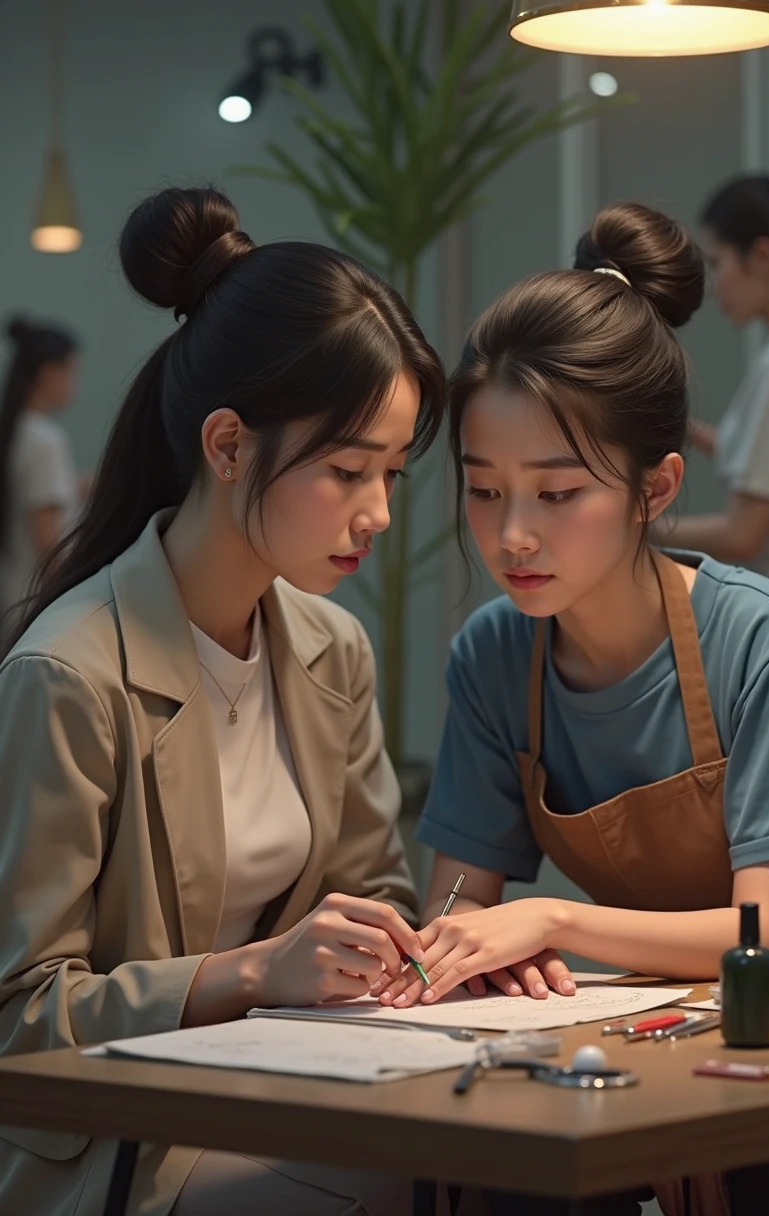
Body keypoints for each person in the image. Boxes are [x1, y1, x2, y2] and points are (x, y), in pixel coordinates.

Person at [377, 202, 769, 1214]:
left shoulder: (762, 638)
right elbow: (459, 905)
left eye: (557, 493)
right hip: (640, 1033)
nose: (513, 536)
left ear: (654, 488)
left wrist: (549, 917)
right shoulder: (494, 655)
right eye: (483, 491)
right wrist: (464, 949)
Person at [0, 186, 446, 1216]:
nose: (378, 513)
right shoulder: (68, 676)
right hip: (124, 1145)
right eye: (348, 470)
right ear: (229, 445)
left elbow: (375, 893)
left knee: (493, 1173)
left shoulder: (331, 649)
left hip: (288, 1091)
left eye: (392, 474)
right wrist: (249, 973)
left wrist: (415, 954)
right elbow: (21, 1014)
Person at [666, 151, 769, 642]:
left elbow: (743, 533)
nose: (713, 284)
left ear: (763, 257)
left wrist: (630, 526)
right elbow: (765, 457)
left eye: (717, 263)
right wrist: (677, 426)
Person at [0, 317, 81, 626]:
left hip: (13, 595)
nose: (74, 385)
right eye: (71, 372)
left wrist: (79, 486)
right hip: (37, 606)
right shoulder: (46, 442)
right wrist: (72, 597)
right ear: (49, 372)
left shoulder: (17, 432)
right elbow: (47, 539)